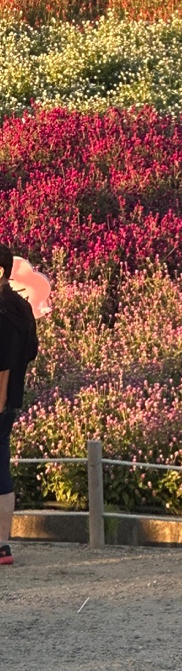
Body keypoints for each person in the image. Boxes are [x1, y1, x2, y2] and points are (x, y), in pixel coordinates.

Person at [0, 243, 39, 567]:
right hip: (10, 402)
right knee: (1, 472)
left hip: (0, 400)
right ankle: (2, 546)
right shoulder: (22, 308)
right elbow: (30, 353)